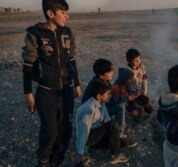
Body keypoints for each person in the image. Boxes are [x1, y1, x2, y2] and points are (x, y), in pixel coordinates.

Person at [21, 0, 81, 166]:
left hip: (66, 91)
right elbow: (27, 66)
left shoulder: (67, 32)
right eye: (63, 13)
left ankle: (56, 161)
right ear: (50, 13)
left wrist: (76, 83)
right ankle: (42, 160)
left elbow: (72, 60)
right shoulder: (35, 34)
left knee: (65, 131)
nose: (67, 16)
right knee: (50, 131)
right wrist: (28, 94)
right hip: (46, 92)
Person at [81, 58, 137, 146]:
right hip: (93, 115)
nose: (112, 73)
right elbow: (110, 101)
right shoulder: (99, 85)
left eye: (112, 70)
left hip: (100, 108)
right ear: (101, 75)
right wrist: (126, 98)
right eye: (110, 71)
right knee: (120, 107)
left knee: (119, 107)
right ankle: (117, 137)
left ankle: (119, 134)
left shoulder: (103, 80)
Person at [75, 79, 131, 166]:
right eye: (108, 94)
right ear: (99, 96)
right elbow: (83, 133)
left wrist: (118, 135)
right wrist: (80, 153)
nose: (110, 96)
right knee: (113, 125)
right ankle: (115, 156)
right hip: (89, 138)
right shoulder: (88, 110)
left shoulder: (102, 103)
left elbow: (107, 121)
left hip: (97, 133)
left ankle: (111, 147)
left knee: (122, 142)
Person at [125, 48, 153, 120]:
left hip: (139, 93)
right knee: (137, 114)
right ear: (130, 61)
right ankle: (128, 111)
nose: (138, 62)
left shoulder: (142, 67)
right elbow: (125, 88)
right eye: (135, 60)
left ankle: (140, 106)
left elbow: (144, 80)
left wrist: (145, 93)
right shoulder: (126, 71)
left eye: (139, 59)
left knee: (149, 109)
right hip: (129, 96)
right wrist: (132, 100)